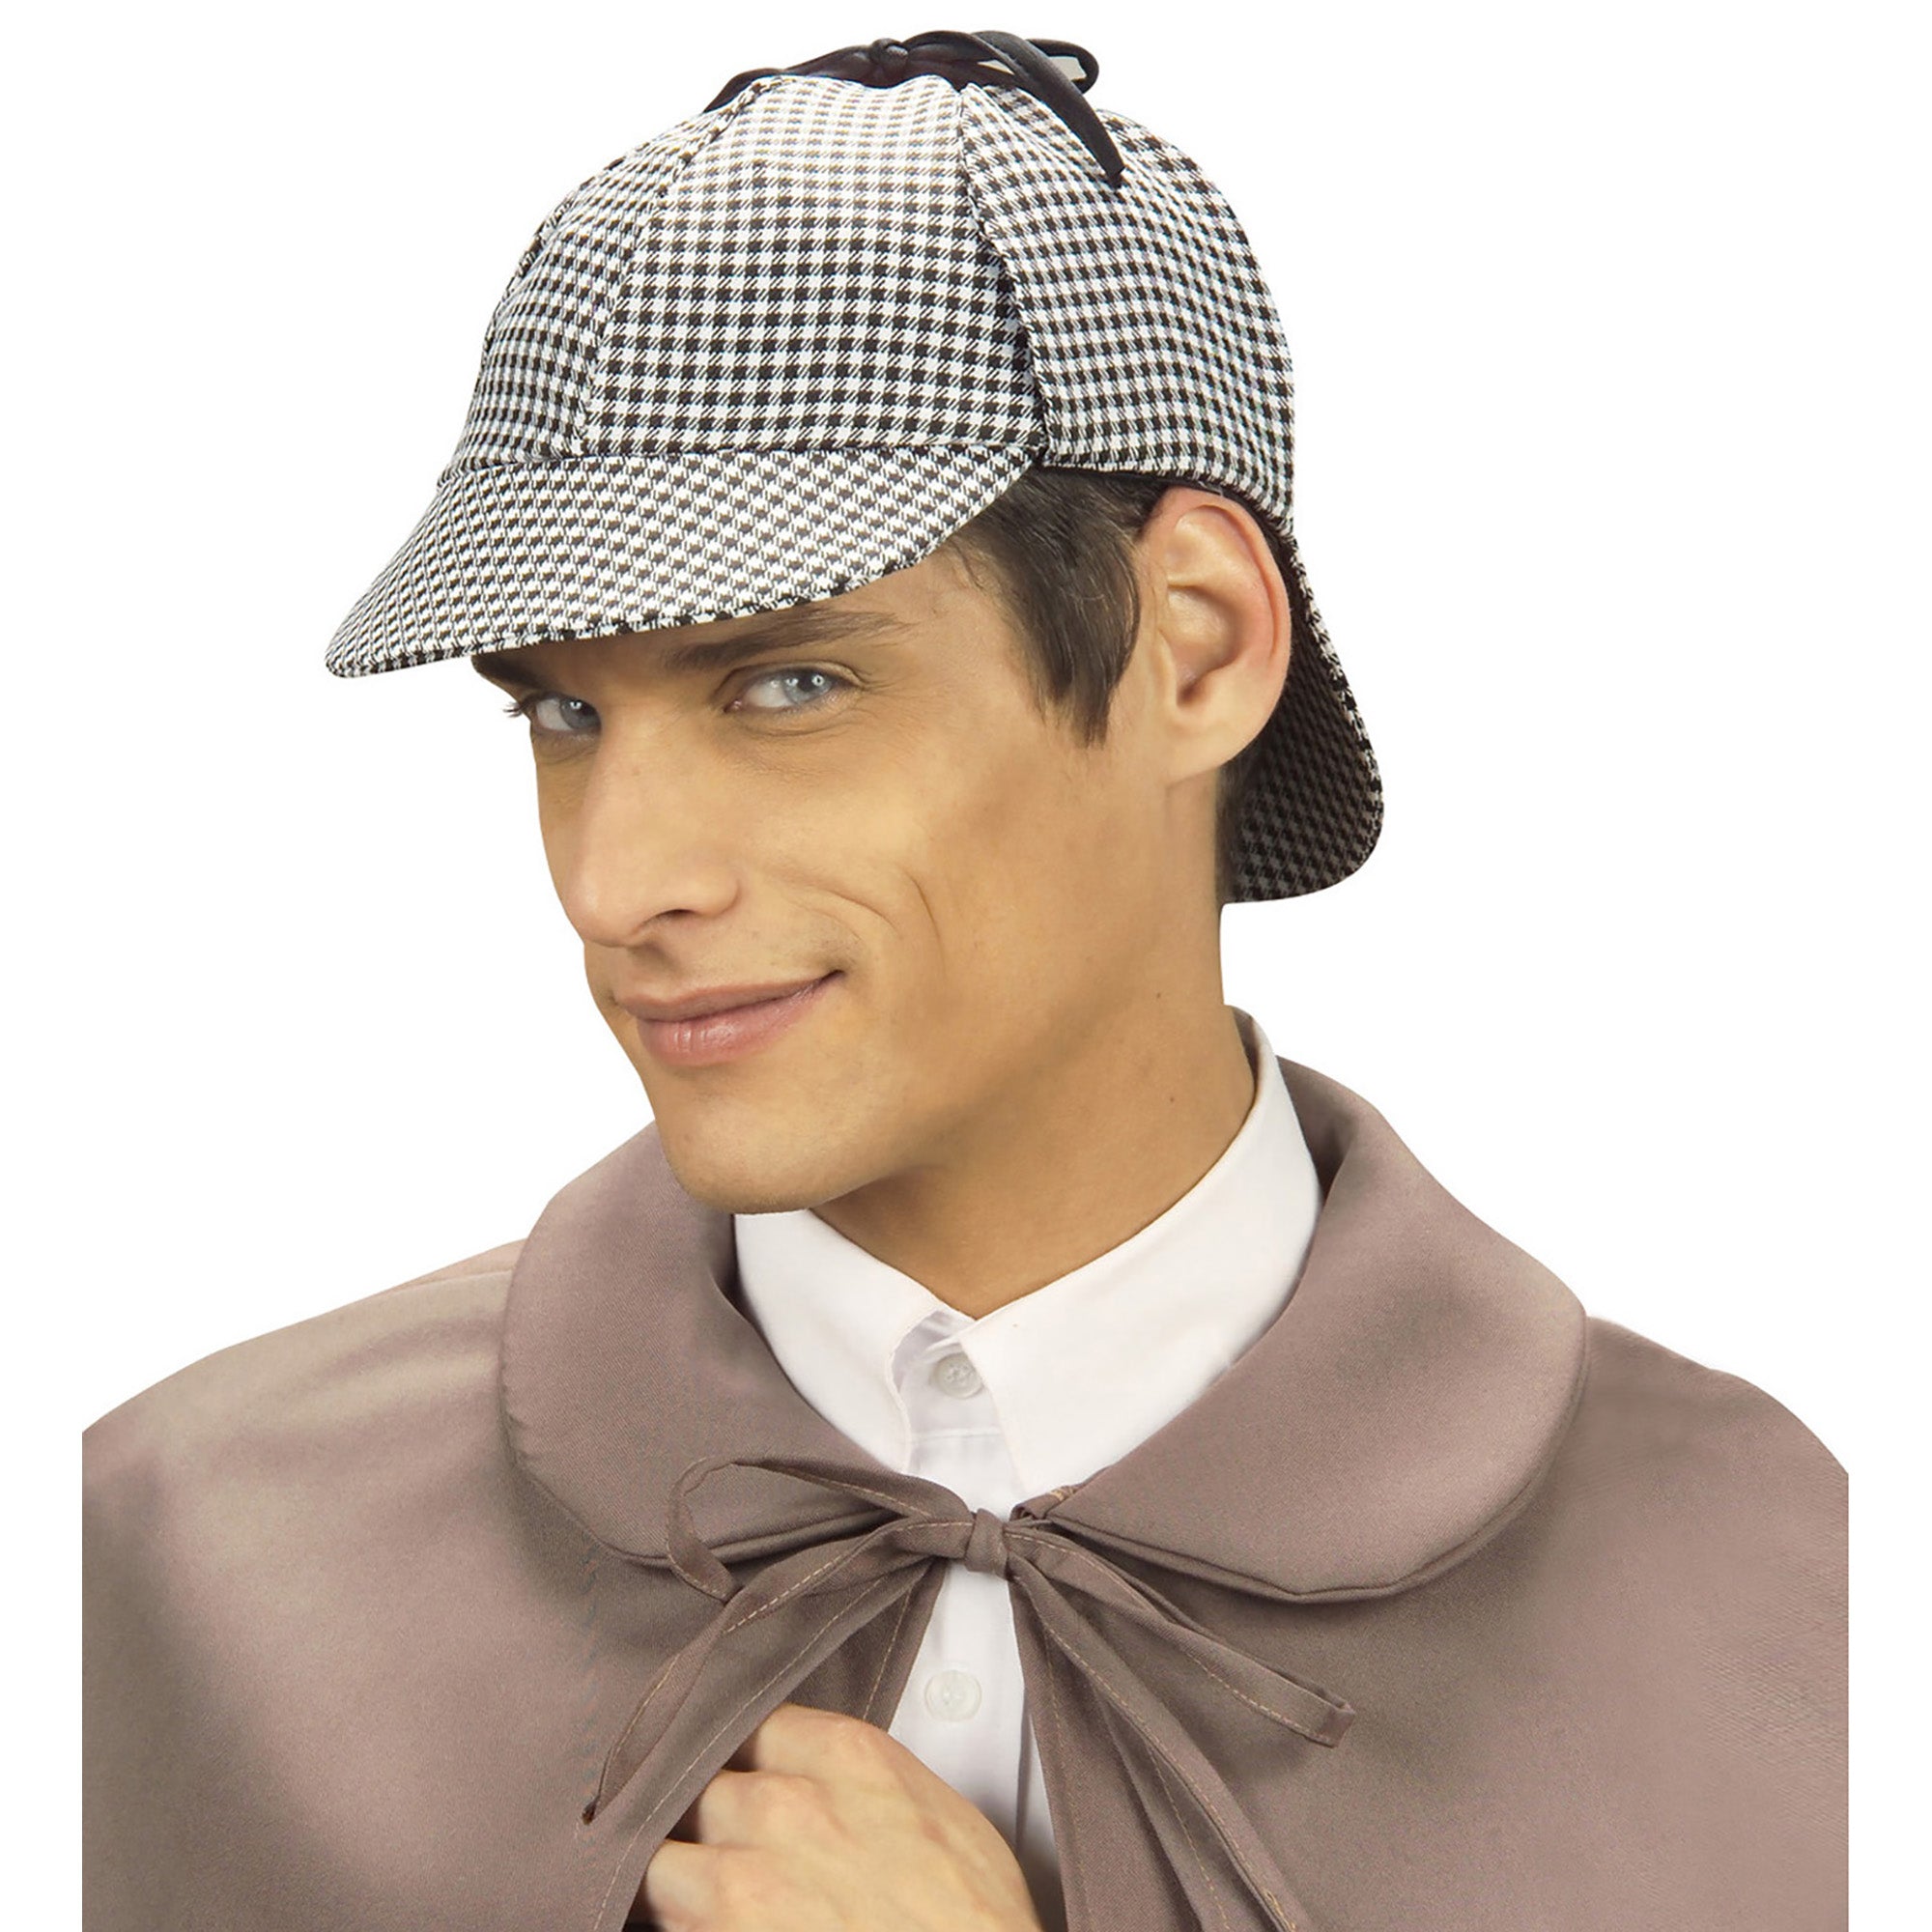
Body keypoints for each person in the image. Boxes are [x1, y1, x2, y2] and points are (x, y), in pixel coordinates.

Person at [81, 29, 1846, 1932]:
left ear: (1192, 649)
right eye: (563, 713)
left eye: (789, 683)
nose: (616, 882)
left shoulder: (1787, 1603)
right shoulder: (190, 1560)